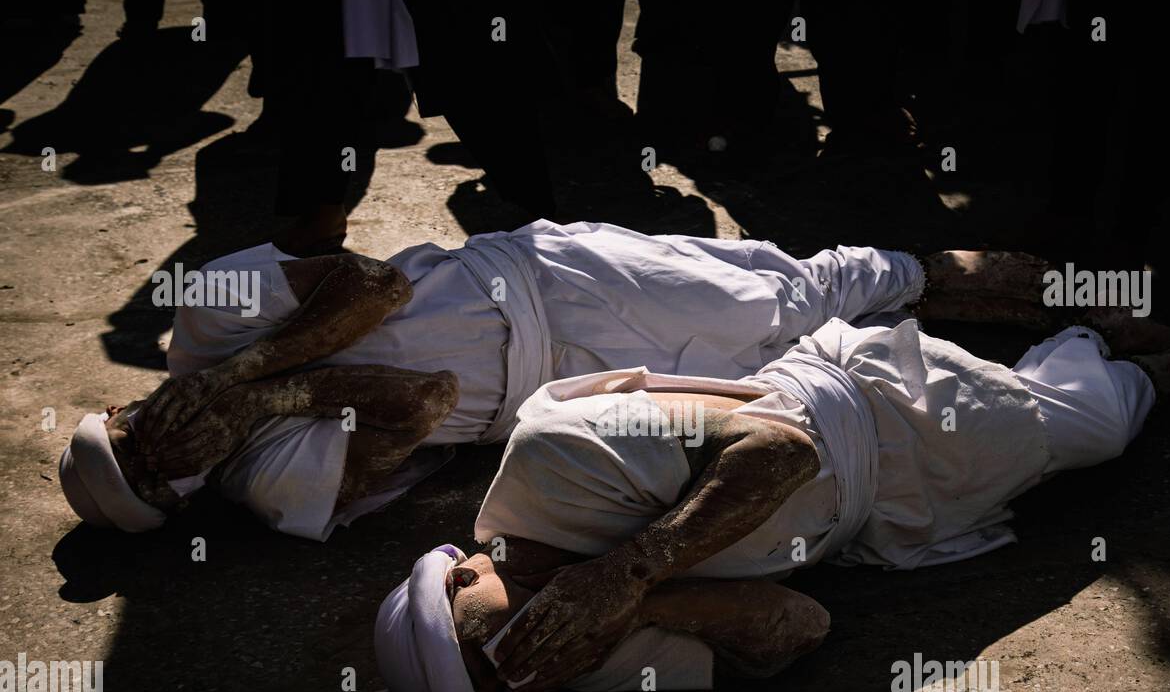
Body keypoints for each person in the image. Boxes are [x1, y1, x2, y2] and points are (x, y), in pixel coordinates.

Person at [373, 306, 1170, 692]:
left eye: (480, 648)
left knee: (1102, 431)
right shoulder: (573, 663)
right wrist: (639, 612)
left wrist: (629, 571)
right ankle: (1068, 356)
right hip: (872, 523)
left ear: (460, 575)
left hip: (875, 409)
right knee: (1054, 450)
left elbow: (781, 450)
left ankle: (1131, 358)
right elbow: (803, 627)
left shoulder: (551, 453)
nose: (518, 662)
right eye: (503, 691)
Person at [61, 220, 1041, 540]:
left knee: (813, 287)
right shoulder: (274, 486)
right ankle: (1088, 366)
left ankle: (1076, 294)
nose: (168, 444)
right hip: (579, 394)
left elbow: (378, 281)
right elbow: (425, 403)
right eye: (158, 472)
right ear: (182, 498)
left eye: (136, 431)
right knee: (824, 369)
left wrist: (244, 366)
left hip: (550, 272)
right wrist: (261, 399)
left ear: (128, 400)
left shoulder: (207, 308)